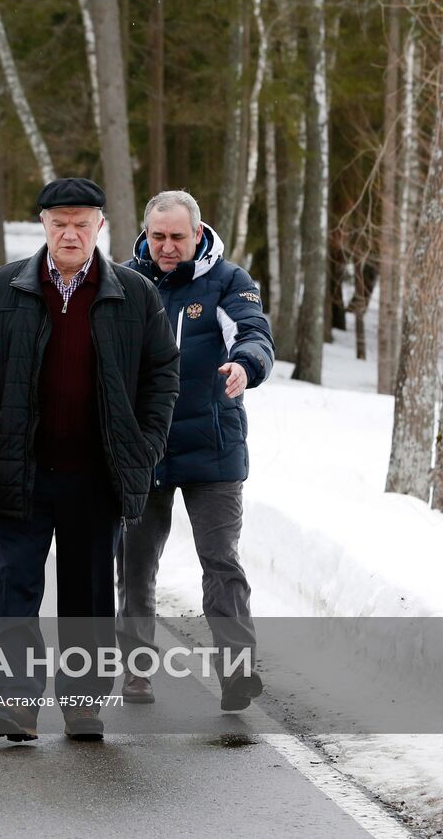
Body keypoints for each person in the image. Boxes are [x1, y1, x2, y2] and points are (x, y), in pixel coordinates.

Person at [0, 177, 179, 742]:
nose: (70, 233)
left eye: (82, 223)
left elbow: (162, 376)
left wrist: (144, 444)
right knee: (17, 590)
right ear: (44, 226)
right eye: (60, 223)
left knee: (89, 598)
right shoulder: (3, 288)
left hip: (95, 476)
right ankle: (15, 704)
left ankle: (82, 705)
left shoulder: (133, 292)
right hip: (20, 469)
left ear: (101, 225)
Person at [117, 189, 274, 711]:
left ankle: (237, 672)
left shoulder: (229, 281)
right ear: (146, 233)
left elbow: (253, 335)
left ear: (198, 233)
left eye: (177, 237)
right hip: (145, 446)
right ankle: (137, 670)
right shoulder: (123, 280)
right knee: (136, 562)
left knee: (220, 560)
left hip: (212, 445)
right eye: (158, 236)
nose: (166, 247)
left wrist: (244, 365)